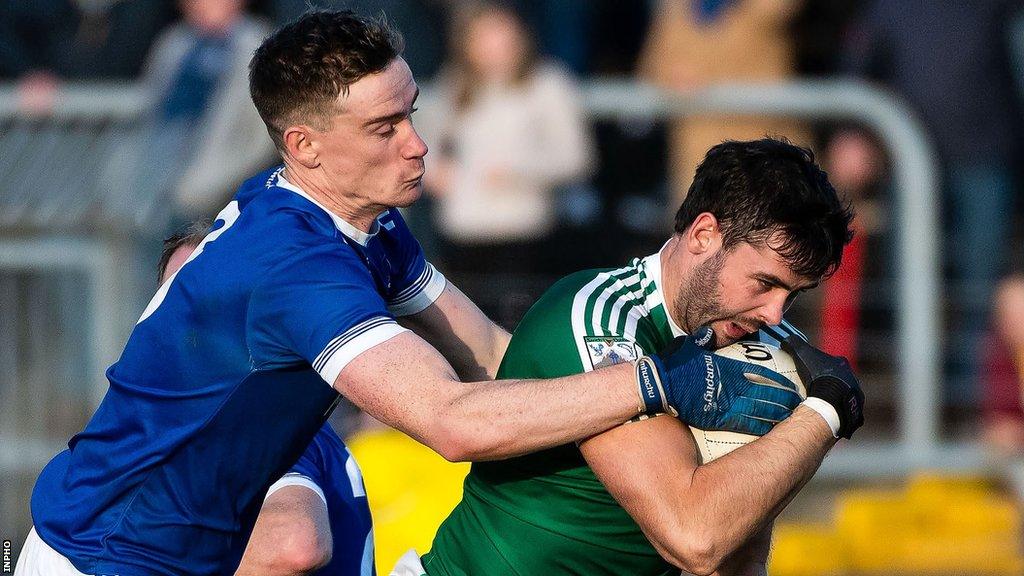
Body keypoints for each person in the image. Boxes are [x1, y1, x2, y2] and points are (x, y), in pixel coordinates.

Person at [16, 12, 861, 575]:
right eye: (385, 129)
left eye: (412, 113)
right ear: (305, 145)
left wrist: (645, 360)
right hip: (108, 557)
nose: (419, 145)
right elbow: (453, 424)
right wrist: (655, 382)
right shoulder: (298, 267)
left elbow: (496, 357)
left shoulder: (366, 226)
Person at [413, 139, 856, 576]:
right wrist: (822, 415)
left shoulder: (764, 341)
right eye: (764, 283)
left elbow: (739, 552)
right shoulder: (600, 319)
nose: (775, 314)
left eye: (793, 294)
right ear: (704, 235)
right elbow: (694, 537)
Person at [157, 223, 374, 576]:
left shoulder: (267, 420)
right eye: (170, 303)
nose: (184, 321)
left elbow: (294, 544)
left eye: (203, 301)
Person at [419, 0, 594, 323]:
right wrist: (434, 174)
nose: (496, 45)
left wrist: (518, 173)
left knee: (518, 325)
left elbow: (576, 158)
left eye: (502, 33)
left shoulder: (548, 83)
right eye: (484, 35)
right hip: (463, 231)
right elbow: (422, 143)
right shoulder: (453, 86)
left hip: (524, 231)